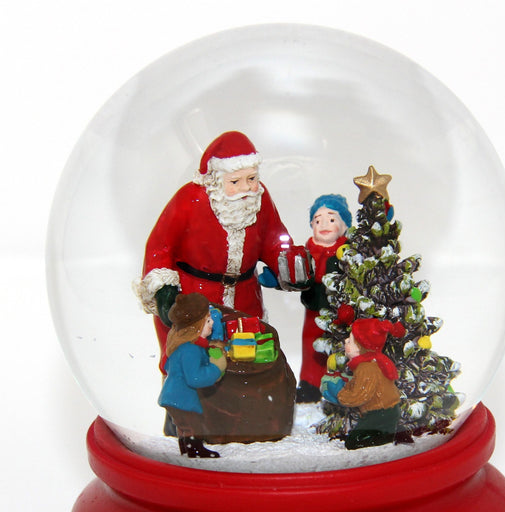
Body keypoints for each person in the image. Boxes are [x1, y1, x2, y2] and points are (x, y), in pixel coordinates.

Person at [138, 130, 303, 372]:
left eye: (252, 178)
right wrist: (164, 291)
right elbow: (160, 246)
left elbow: (273, 238)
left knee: (248, 356)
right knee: (194, 359)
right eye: (235, 182)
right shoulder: (189, 200)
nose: (246, 188)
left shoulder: (260, 198)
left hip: (245, 298)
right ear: (216, 180)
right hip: (196, 298)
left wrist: (288, 262)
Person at [296, 194, 352, 403]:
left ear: (343, 225)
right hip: (313, 307)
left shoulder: (347, 252)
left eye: (331, 219)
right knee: (311, 345)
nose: (324, 225)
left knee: (338, 346)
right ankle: (310, 383)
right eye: (318, 220)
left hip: (339, 311)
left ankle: (339, 383)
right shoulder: (307, 251)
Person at [158, 293, 227, 459]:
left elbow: (168, 366)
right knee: (193, 425)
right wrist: (216, 368)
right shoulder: (190, 349)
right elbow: (195, 378)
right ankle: (195, 450)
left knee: (184, 426)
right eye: (208, 321)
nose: (212, 324)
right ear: (196, 326)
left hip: (174, 396)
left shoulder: (183, 345)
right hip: (181, 398)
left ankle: (186, 449)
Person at [322, 318, 406, 450]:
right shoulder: (368, 363)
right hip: (384, 411)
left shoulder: (367, 368)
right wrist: (346, 385)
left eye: (350, 341)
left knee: (353, 442)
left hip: (381, 413)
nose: (346, 341)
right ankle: (386, 435)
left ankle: (386, 439)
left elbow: (360, 395)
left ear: (361, 348)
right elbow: (359, 384)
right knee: (364, 434)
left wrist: (340, 394)